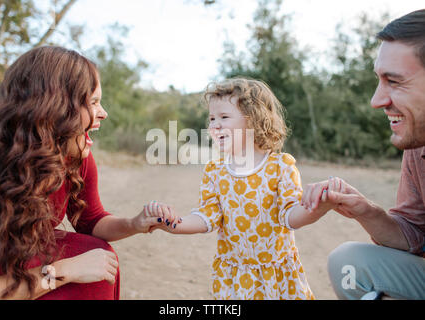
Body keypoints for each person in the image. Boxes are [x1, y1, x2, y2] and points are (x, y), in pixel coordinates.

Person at [0, 46, 160, 300]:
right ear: (54, 109)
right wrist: (62, 272)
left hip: (21, 266)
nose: (103, 113)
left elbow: (91, 220)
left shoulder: (74, 155)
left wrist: (135, 224)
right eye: (93, 102)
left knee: (97, 256)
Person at [144, 78, 335, 300]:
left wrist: (319, 208)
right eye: (212, 118)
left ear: (254, 119)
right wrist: (173, 224)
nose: (214, 125)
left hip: (276, 277)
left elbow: (290, 216)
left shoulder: (281, 166)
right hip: (234, 278)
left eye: (224, 117)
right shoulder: (215, 170)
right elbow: (208, 216)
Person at [301, 9, 425, 300]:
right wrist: (367, 212)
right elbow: (414, 236)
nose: (376, 100)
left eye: (394, 81)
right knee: (349, 263)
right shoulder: (418, 143)